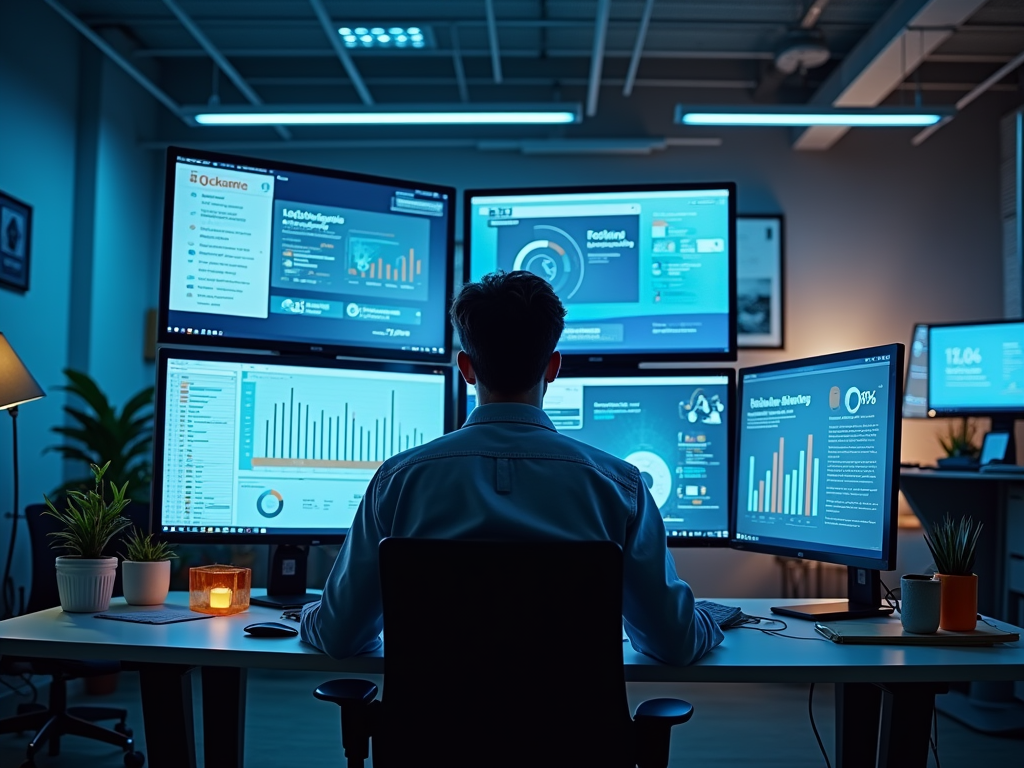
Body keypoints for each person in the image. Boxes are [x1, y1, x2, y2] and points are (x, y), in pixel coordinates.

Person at [300, 271, 723, 665]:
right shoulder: (621, 487)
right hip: (576, 744)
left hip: (430, 742)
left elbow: (341, 638)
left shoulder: (397, 482)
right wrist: (709, 619)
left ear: (466, 369)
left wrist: (308, 614)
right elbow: (673, 644)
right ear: (553, 367)